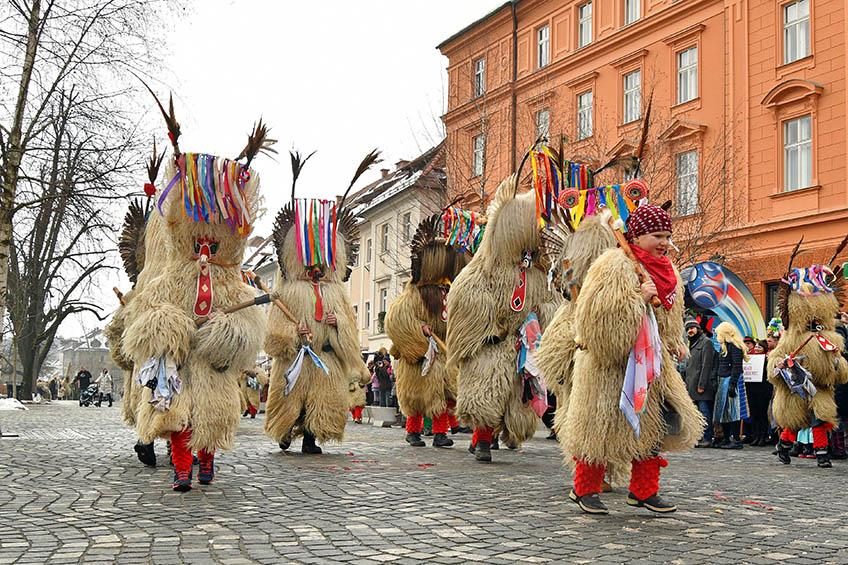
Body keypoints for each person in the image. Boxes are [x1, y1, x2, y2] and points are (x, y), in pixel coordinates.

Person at [122, 97, 268, 491]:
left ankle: (207, 461)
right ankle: (182, 469)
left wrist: (227, 330)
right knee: (180, 418)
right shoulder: (171, 273)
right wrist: (169, 327)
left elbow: (250, 327)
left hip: (213, 366)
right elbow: (146, 315)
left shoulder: (231, 279)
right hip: (182, 364)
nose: (206, 242)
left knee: (212, 416)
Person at [558, 201, 703, 515]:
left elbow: (670, 315)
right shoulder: (613, 265)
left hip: (653, 366)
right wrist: (640, 299)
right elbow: (597, 319)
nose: (664, 242)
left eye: (667, 234)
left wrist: (674, 339)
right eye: (656, 235)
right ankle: (584, 490)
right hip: (612, 368)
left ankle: (644, 491)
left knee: (653, 428)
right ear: (636, 236)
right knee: (600, 430)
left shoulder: (668, 272)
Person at [446, 174, 562, 463]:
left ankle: (498, 436)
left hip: (522, 347)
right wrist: (490, 330)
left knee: (515, 397)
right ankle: (482, 440)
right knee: (486, 390)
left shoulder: (538, 273)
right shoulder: (485, 268)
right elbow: (466, 295)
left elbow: (550, 302)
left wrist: (536, 323)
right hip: (493, 345)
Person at [264, 152, 372, 456]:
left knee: (322, 403)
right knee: (291, 400)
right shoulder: (289, 290)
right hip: (297, 359)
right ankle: (286, 431)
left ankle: (311, 437)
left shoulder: (337, 292)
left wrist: (339, 330)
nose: (315, 270)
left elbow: (349, 332)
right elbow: (275, 330)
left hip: (327, 360)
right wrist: (292, 332)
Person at [385, 210, 478, 449]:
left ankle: (439, 433)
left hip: (442, 354)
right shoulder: (414, 294)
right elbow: (396, 319)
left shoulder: (446, 293)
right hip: (421, 357)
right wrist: (419, 330)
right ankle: (413, 431)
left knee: (444, 394)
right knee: (417, 398)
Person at [768, 246, 848, 469]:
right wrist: (781, 365)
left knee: (821, 418)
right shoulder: (791, 337)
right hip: (798, 387)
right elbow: (774, 361)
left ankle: (822, 454)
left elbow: (840, 367)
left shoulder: (832, 337)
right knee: (795, 421)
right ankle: (783, 446)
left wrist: (836, 364)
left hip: (821, 386)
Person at [713, 322, 747, 449]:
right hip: (723, 380)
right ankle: (726, 438)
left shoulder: (735, 347)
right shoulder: (724, 347)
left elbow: (737, 366)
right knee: (723, 411)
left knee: (733, 411)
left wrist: (733, 384)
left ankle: (736, 440)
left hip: (731, 380)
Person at [684, 317, 716, 448]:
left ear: (698, 329)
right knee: (697, 414)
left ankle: (707, 437)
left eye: (692, 328)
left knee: (704, 413)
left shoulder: (706, 342)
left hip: (702, 386)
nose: (690, 331)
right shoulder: (691, 343)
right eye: (688, 329)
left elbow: (706, 365)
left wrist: (702, 385)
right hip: (692, 386)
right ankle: (699, 437)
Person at [745, 340, 773, 446]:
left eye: (759, 347)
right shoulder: (749, 358)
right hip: (752, 388)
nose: (756, 348)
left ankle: (763, 435)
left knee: (762, 413)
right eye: (756, 347)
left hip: (763, 389)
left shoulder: (767, 359)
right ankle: (755, 435)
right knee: (754, 413)